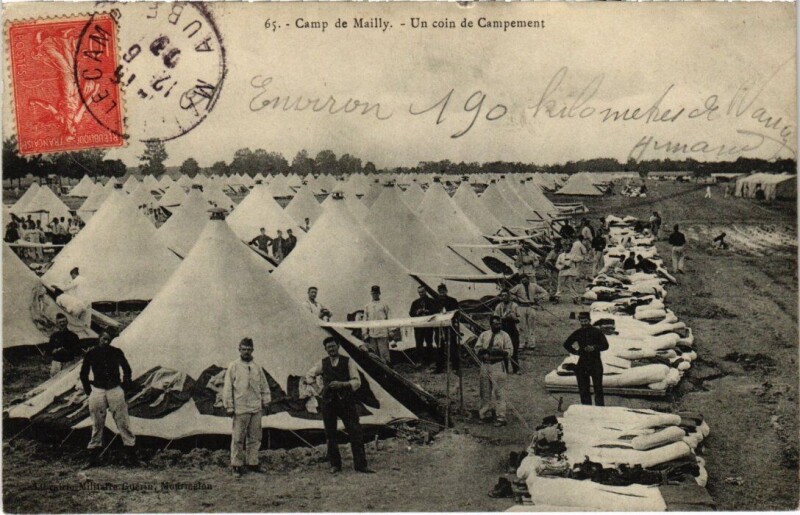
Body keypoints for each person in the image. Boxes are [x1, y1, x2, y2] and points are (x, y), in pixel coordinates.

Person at [305, 337, 373, 474]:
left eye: (333, 346)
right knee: (330, 433)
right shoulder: (322, 363)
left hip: (346, 401)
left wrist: (343, 384)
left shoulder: (348, 361)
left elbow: (357, 382)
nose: (331, 349)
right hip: (329, 402)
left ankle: (360, 465)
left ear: (338, 346)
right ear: (325, 349)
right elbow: (309, 375)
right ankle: (335, 465)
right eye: (328, 347)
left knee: (355, 431)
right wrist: (319, 390)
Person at [80, 329, 137, 467]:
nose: (106, 342)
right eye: (104, 338)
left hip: (114, 389)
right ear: (99, 338)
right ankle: (94, 457)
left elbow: (127, 369)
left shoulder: (116, 352)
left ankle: (130, 455)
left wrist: (125, 385)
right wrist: (88, 391)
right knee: (97, 423)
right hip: (98, 390)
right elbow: (83, 374)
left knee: (122, 421)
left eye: (108, 340)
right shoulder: (91, 353)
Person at [222, 337, 270, 478]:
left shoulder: (257, 367)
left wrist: (266, 400)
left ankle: (253, 463)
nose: (246, 352)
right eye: (244, 349)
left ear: (253, 350)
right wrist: (229, 406)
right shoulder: (234, 366)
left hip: (255, 407)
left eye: (249, 349)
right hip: (240, 407)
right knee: (238, 438)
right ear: (239, 350)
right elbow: (227, 387)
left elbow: (264, 385)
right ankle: (236, 465)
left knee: (255, 437)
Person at [474, 315, 514, 427]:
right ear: (491, 324)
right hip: (485, 365)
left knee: (499, 392)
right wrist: (484, 351)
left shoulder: (505, 335)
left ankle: (501, 417)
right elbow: (477, 348)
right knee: (484, 391)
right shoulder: (484, 335)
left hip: (497, 365)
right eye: (496, 324)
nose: (498, 326)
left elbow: (510, 351)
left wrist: (500, 352)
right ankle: (485, 414)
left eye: (499, 324)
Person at [562, 312, 609, 406]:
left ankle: (600, 409)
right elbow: (566, 344)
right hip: (582, 363)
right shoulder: (578, 332)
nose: (584, 323)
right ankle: (586, 408)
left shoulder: (597, 332)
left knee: (598, 388)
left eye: (585, 321)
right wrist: (576, 352)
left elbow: (605, 345)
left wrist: (594, 347)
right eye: (582, 321)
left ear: (589, 320)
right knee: (583, 388)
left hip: (595, 362)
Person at [509, 275, 548, 350]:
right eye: (522, 280)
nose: (524, 281)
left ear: (528, 279)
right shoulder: (518, 286)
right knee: (521, 326)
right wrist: (516, 298)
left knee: (531, 326)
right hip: (521, 307)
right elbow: (510, 293)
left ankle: (531, 343)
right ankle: (522, 343)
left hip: (531, 307)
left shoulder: (534, 286)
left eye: (525, 280)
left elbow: (544, 292)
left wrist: (538, 297)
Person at [433, 283, 460, 374]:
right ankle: (439, 367)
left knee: (453, 346)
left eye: (443, 291)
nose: (442, 293)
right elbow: (432, 314)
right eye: (440, 292)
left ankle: (455, 366)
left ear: (446, 291)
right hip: (439, 327)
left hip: (450, 327)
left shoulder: (453, 301)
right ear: (438, 292)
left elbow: (457, 313)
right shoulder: (435, 302)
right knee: (439, 346)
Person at [493, 289, 521, 375]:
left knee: (514, 349)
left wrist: (513, 317)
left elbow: (519, 319)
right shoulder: (499, 306)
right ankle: (505, 369)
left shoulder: (514, 305)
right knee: (503, 349)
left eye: (505, 295)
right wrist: (503, 317)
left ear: (509, 296)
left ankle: (516, 369)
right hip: (502, 329)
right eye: (502, 295)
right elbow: (495, 319)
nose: (504, 297)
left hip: (513, 329)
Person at [363, 285, 392, 365]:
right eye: (373, 293)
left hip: (382, 333)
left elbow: (389, 318)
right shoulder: (367, 306)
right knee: (374, 355)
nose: (375, 295)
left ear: (379, 293)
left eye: (376, 293)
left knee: (384, 354)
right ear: (371, 294)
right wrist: (365, 333)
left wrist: (391, 331)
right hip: (372, 335)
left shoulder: (384, 304)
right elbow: (365, 320)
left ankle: (388, 368)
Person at [409, 285, 436, 366]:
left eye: (422, 292)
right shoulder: (415, 302)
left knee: (429, 342)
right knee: (419, 343)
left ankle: (430, 361)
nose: (421, 294)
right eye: (419, 292)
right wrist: (417, 312)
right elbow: (411, 313)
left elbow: (435, 311)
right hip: (419, 326)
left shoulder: (432, 301)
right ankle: (420, 361)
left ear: (426, 291)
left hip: (428, 326)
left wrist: (427, 311)